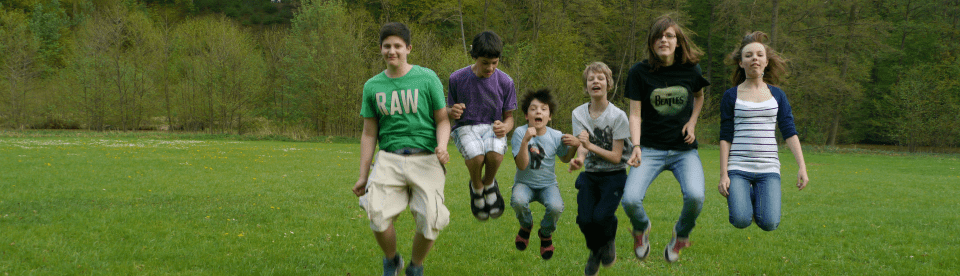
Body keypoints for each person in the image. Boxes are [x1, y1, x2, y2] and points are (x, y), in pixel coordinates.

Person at [352, 22, 451, 276]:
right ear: (381, 50)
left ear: (408, 48)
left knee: (432, 219)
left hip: (426, 158)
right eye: (387, 46)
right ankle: (391, 260)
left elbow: (442, 119)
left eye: (397, 46)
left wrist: (442, 146)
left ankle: (415, 267)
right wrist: (363, 175)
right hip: (389, 159)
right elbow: (369, 133)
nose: (391, 51)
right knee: (376, 213)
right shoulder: (372, 86)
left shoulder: (427, 78)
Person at [621, 15, 710, 263]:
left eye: (669, 35)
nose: (664, 40)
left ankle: (681, 235)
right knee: (629, 200)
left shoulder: (691, 70)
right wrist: (636, 146)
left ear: (678, 42)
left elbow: (699, 96)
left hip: (684, 151)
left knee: (695, 196)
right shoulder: (639, 72)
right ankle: (641, 228)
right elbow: (635, 114)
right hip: (649, 148)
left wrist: (692, 122)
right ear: (651, 43)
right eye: (659, 36)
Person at [718, 31, 809, 231]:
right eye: (748, 55)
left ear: (766, 61)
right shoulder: (730, 96)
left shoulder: (777, 95)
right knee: (741, 220)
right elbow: (725, 136)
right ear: (741, 63)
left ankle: (753, 195)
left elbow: (789, 132)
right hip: (738, 168)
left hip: (768, 169)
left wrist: (802, 166)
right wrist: (724, 174)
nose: (754, 59)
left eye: (759, 55)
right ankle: (741, 194)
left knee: (769, 223)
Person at [569, 62, 632, 275]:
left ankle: (607, 240)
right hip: (591, 174)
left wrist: (589, 146)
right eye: (591, 79)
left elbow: (616, 157)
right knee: (585, 219)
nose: (596, 81)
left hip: (614, 175)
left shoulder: (618, 117)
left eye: (601, 78)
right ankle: (596, 250)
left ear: (609, 84)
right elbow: (582, 145)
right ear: (586, 87)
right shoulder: (578, 114)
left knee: (602, 217)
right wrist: (579, 158)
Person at [447, 30, 517, 221]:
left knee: (494, 154)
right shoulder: (457, 78)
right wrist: (452, 111)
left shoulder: (505, 81)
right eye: (485, 63)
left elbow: (509, 117)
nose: (490, 68)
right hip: (465, 127)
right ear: (474, 57)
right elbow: (446, 111)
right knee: (476, 156)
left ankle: (489, 183)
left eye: (495, 63)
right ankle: (477, 188)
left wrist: (506, 127)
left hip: (492, 127)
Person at [510, 88, 579, 260]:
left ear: (550, 116)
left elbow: (564, 158)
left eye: (543, 108)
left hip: (548, 185)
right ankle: (526, 226)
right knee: (518, 201)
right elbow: (521, 164)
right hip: (524, 183)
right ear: (527, 115)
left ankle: (546, 233)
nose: (538, 111)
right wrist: (526, 140)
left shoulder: (556, 136)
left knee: (556, 207)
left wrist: (576, 146)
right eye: (533, 109)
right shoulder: (520, 133)